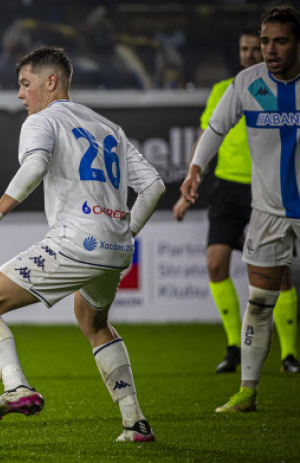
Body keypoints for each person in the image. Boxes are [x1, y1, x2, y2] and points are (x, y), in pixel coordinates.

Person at [0, 46, 165, 442]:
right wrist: (126, 232)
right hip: (117, 247)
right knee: (94, 321)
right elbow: (154, 186)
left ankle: (17, 388)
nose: (20, 94)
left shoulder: (42, 120)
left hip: (76, 240)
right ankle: (135, 422)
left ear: (51, 82)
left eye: (25, 84)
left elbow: (33, 166)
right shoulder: (108, 127)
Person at [181, 5, 300, 413]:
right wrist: (196, 168)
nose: (269, 49)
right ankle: (248, 392)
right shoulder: (248, 83)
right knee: (260, 302)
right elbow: (215, 127)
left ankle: (288, 357)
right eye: (265, 41)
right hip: (266, 213)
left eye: (279, 41)